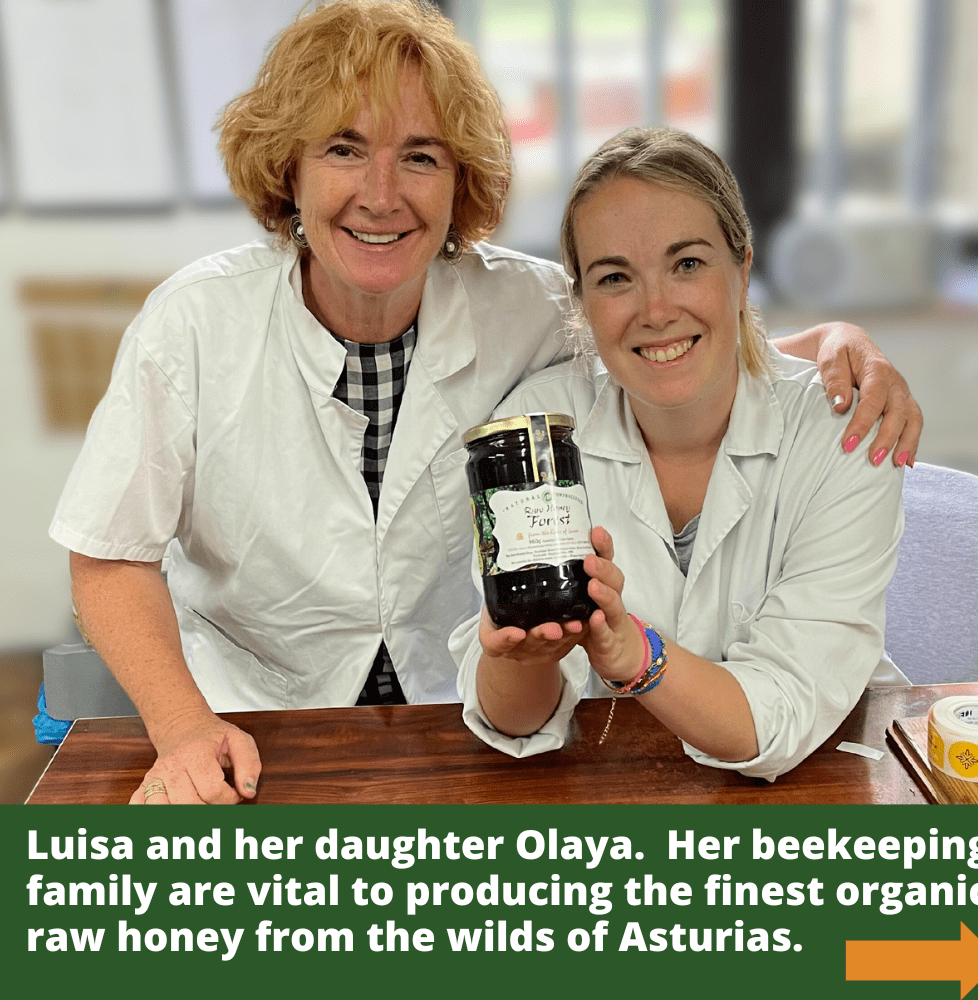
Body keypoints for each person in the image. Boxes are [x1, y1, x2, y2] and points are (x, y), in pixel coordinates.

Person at [50, 0, 919, 804]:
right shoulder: (193, 324)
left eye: (420, 156)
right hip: (261, 719)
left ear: (461, 180)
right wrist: (183, 726)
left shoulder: (526, 305)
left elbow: (656, 334)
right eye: (344, 148)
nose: (382, 194)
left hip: (464, 725)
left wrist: (837, 344)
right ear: (288, 168)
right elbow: (110, 554)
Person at [454, 127, 909, 781]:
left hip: (831, 781)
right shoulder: (535, 441)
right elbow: (518, 722)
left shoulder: (845, 427)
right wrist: (517, 657)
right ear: (582, 302)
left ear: (743, 268)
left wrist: (636, 655)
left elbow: (780, 714)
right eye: (615, 278)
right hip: (625, 793)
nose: (656, 309)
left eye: (688, 263)